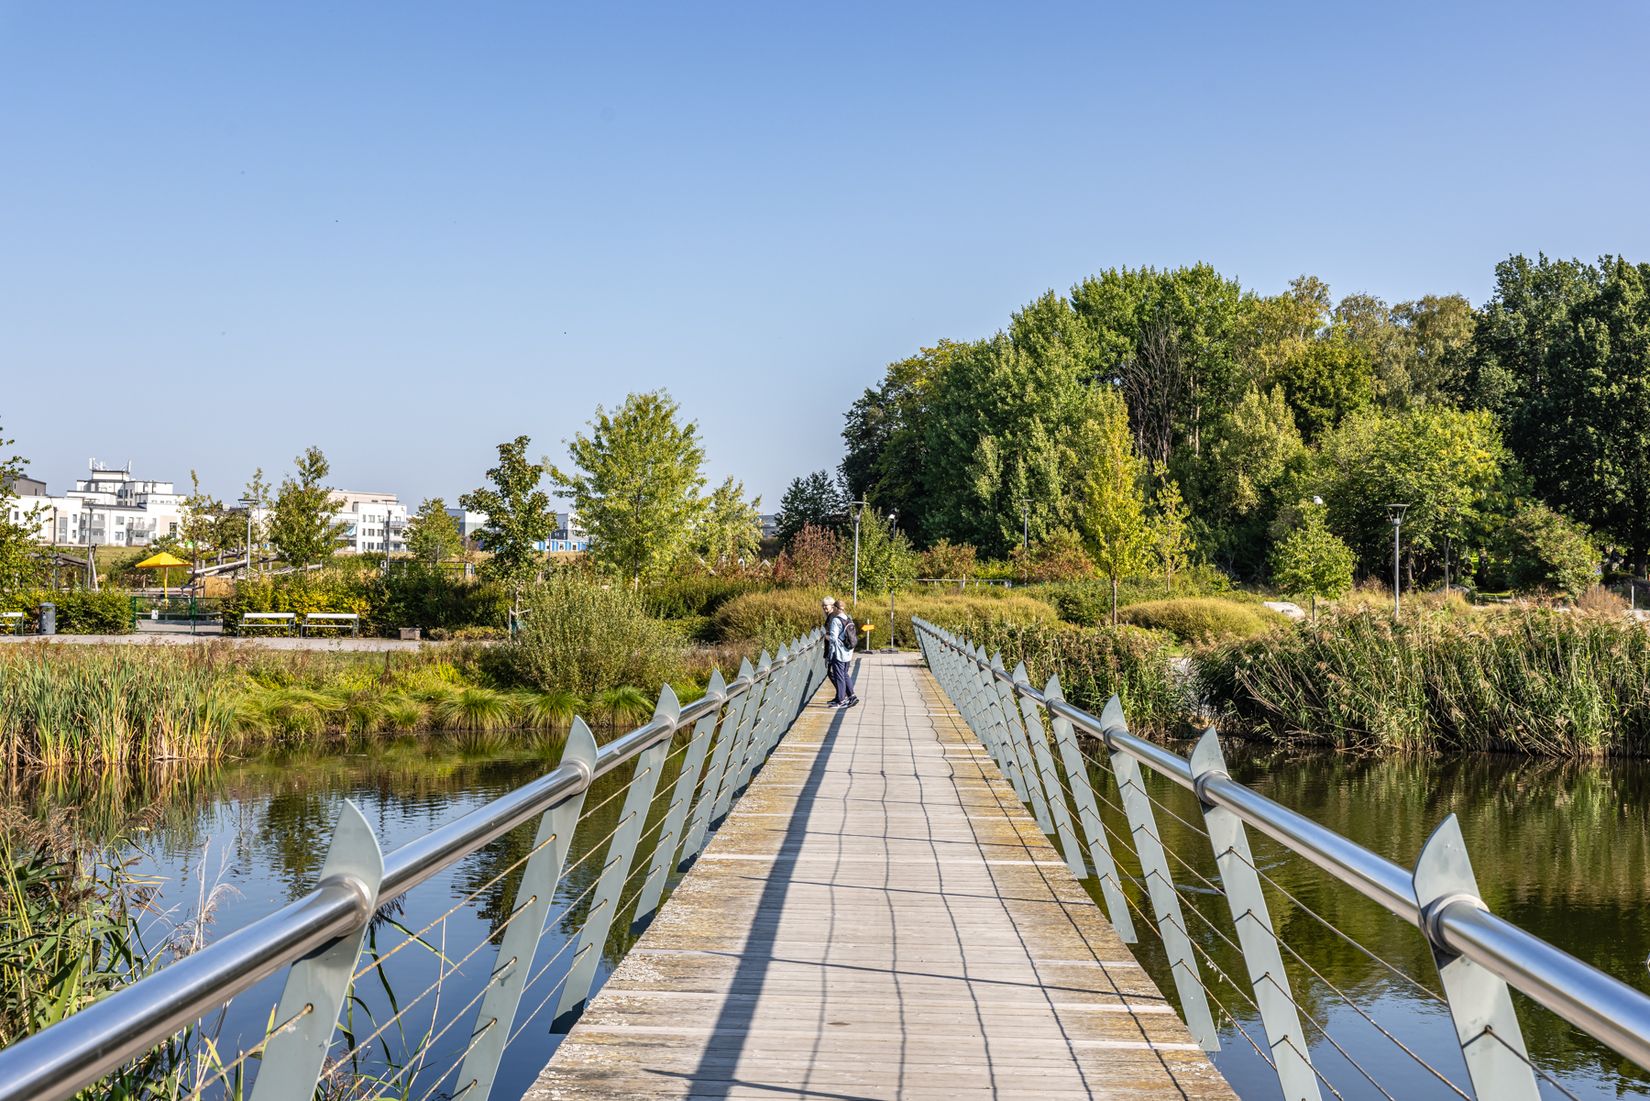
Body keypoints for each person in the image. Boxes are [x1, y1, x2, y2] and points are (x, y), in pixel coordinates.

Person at [823, 597, 857, 708]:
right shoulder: (848, 619)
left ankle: (841, 700)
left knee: (839, 676)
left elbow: (833, 638)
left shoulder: (836, 620)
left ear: (836, 608)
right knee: (844, 674)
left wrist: (824, 636)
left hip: (838, 653)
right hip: (848, 652)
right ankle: (851, 696)